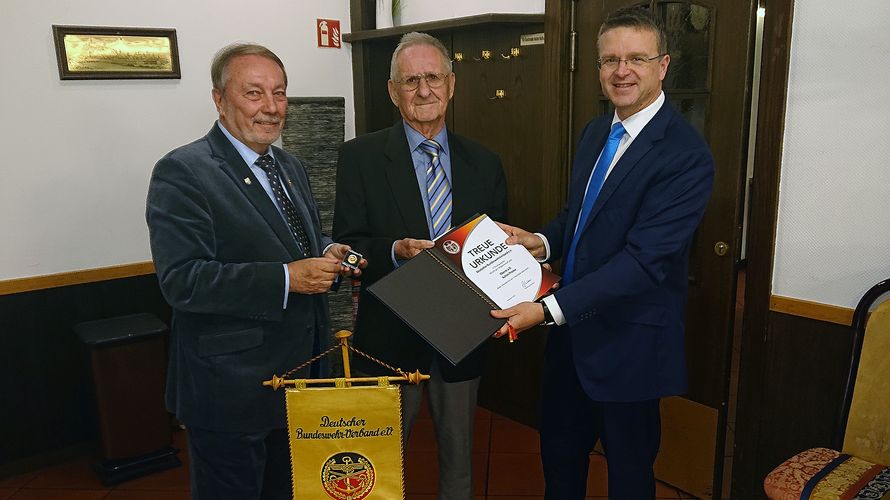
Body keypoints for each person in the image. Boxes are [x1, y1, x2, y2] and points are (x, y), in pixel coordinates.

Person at [490, 8, 715, 499]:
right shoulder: (597, 132)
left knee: (630, 481)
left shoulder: (686, 156)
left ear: (663, 65)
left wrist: (546, 310)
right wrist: (543, 241)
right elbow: (582, 217)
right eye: (610, 59)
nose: (621, 70)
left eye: (637, 57)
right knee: (560, 467)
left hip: (629, 351)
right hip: (570, 345)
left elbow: (642, 263)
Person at [146, 42, 364, 500]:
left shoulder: (289, 165)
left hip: (301, 379)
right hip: (231, 392)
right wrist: (288, 278)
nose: (270, 108)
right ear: (219, 100)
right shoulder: (182, 171)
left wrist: (329, 252)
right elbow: (182, 280)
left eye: (280, 93)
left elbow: (295, 243)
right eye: (254, 93)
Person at [333, 32, 507, 500]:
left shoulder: (485, 164)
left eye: (433, 78)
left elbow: (498, 249)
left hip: (462, 335)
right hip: (389, 334)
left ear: (452, 85)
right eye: (411, 80)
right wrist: (394, 251)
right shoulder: (360, 158)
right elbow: (347, 245)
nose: (423, 90)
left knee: (459, 459)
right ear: (393, 91)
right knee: (379, 460)